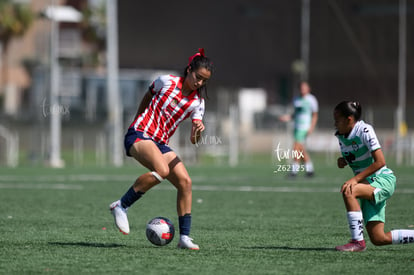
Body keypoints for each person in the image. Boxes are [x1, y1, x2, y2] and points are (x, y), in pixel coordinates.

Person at [109, 48, 213, 250]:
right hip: (139, 134)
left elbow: (194, 140)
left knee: (185, 182)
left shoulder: (197, 103)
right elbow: (148, 95)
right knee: (163, 170)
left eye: (204, 80)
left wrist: (198, 130)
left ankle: (184, 238)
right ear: (189, 70)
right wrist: (137, 119)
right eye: (198, 77)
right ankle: (121, 205)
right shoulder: (166, 81)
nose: (199, 83)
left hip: (160, 143)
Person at [334, 101, 414, 252]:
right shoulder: (342, 136)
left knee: (349, 190)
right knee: (379, 239)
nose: (335, 123)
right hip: (368, 185)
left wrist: (355, 179)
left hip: (383, 180)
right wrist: (344, 160)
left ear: (349, 119)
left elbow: (380, 162)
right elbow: (357, 156)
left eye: (337, 119)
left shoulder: (364, 130)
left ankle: (357, 242)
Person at [280, 81, 318, 177]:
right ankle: (310, 170)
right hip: (297, 127)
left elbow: (314, 115)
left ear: (308, 89)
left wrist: (311, 127)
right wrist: (287, 117)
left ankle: (294, 171)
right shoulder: (296, 99)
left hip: (305, 127)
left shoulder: (311, 100)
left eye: (304, 88)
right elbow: (295, 114)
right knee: (300, 149)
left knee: (296, 147)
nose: (303, 90)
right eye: (301, 88)